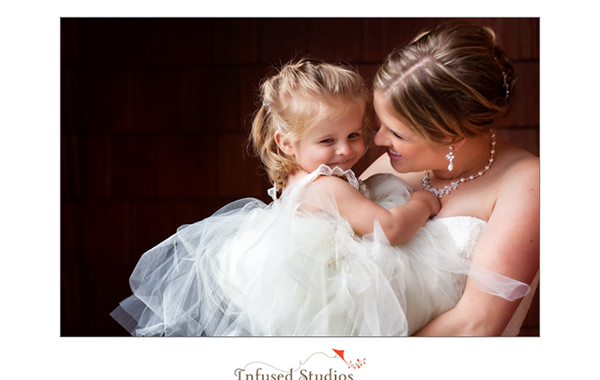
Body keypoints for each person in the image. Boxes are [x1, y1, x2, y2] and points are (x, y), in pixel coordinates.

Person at [111, 58, 528, 337]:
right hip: (337, 304)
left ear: (448, 132)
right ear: (287, 144)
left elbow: (477, 322)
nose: (357, 148)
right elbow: (390, 228)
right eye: (329, 139)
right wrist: (422, 203)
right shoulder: (328, 184)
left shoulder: (322, 177)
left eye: (356, 134)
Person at [360, 20, 540, 336]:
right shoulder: (390, 166)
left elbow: (476, 324)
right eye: (381, 125)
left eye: (397, 133)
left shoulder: (529, 184)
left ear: (450, 135)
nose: (377, 142)